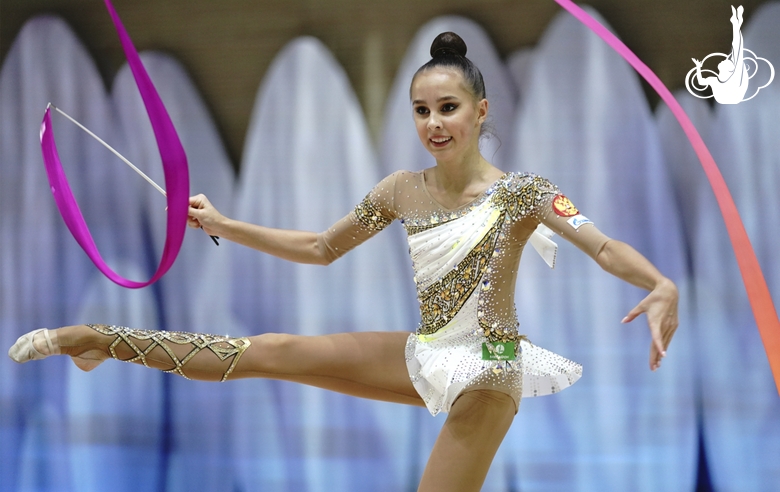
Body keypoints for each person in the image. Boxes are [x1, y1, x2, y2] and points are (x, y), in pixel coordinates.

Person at [9, 32, 678, 492]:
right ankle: (94, 340)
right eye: (422, 111)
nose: (434, 123)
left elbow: (604, 244)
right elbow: (320, 249)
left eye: (448, 109)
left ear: (481, 111)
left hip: (492, 369)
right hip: (428, 351)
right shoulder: (399, 190)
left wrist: (658, 282)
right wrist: (222, 224)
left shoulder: (523, 192)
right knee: (270, 351)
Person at [692, 5, 748, 104]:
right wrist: (736, 25)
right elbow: (737, 50)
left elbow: (737, 50)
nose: (725, 60)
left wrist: (698, 67)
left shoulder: (718, 81)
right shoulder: (729, 81)